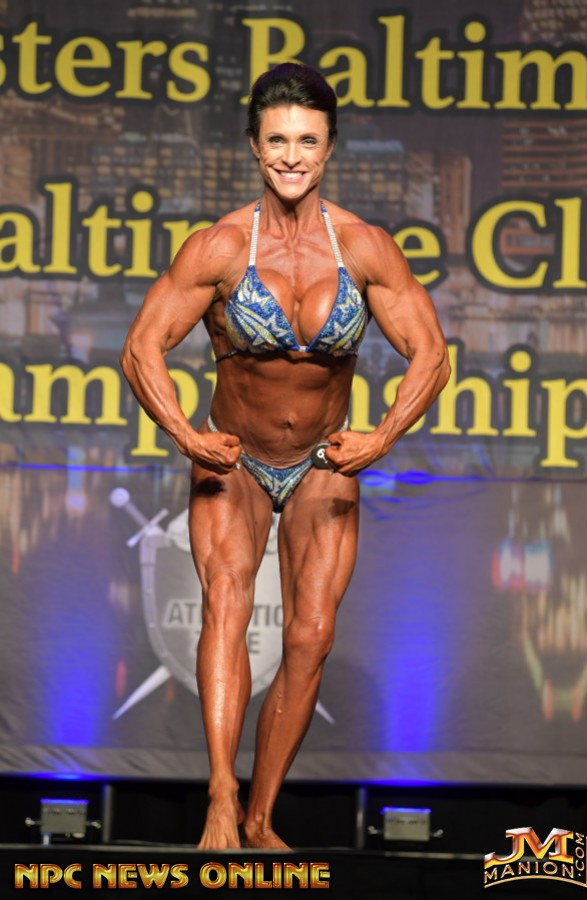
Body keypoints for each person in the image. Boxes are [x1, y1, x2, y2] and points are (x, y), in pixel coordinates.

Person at [120, 62, 450, 850]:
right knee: (227, 608)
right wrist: (186, 435)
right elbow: (141, 348)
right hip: (233, 459)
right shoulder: (221, 248)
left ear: (329, 148)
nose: (292, 156)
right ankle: (220, 797)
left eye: (307, 140)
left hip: (322, 464)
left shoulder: (364, 248)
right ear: (254, 146)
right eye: (277, 140)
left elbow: (432, 353)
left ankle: (262, 815)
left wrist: (381, 437)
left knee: (311, 637)